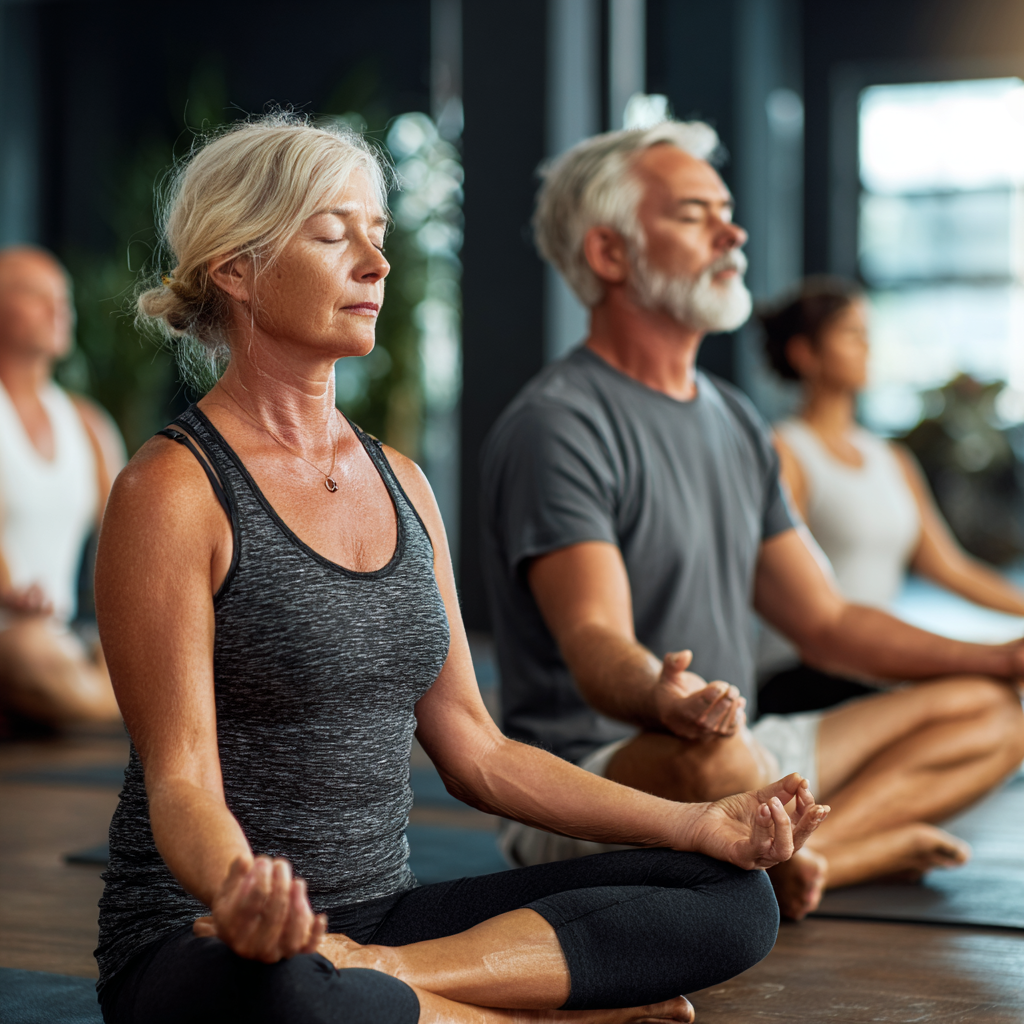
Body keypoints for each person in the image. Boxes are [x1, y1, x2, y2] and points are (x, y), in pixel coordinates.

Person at [92, 113, 828, 1024]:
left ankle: (394, 980)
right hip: (206, 933)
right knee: (299, 1001)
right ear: (235, 268)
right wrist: (245, 892)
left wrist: (700, 823)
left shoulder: (400, 481)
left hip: (380, 919)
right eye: (333, 234)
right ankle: (508, 1009)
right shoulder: (172, 490)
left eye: (380, 234)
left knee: (731, 897)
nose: (376, 263)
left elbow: (477, 752)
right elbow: (182, 780)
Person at [479, 121, 1024, 922]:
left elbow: (827, 622)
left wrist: (1001, 655)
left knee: (992, 710)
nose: (732, 232)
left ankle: (820, 856)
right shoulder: (559, 424)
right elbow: (595, 641)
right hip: (600, 777)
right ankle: (791, 848)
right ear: (610, 254)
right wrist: (662, 697)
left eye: (727, 211)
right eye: (695, 214)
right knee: (717, 761)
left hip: (740, 749)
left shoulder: (734, 421)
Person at [756, 277, 1024, 714]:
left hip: (873, 664)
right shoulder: (785, 451)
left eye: (869, 335)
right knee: (985, 702)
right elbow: (795, 597)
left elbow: (952, 568)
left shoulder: (891, 459)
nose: (868, 347)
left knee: (998, 703)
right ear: (804, 353)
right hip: (803, 669)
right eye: (852, 334)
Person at [0, 245, 124, 729]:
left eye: (63, 297)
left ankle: (85, 702)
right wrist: (11, 594)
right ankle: (123, 711)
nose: (59, 310)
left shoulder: (89, 426)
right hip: (14, 640)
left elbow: (131, 548)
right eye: (35, 295)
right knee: (29, 653)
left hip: (63, 637)